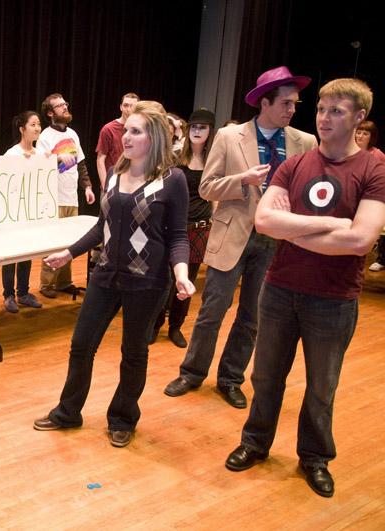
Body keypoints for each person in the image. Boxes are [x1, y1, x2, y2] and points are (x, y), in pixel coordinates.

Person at [225, 78, 385, 498]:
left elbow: (361, 240)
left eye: (336, 111)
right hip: (279, 291)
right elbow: (264, 222)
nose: (324, 118)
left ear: (359, 117)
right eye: (320, 110)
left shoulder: (374, 168)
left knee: (321, 387)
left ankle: (314, 458)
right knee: (266, 377)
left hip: (333, 300)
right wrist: (330, 224)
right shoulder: (294, 165)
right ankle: (255, 443)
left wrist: (291, 230)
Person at [33, 103, 194, 448]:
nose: (126, 137)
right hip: (105, 275)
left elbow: (178, 235)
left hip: (148, 282)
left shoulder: (172, 179)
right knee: (81, 345)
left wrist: (181, 273)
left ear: (155, 138)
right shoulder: (117, 173)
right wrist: (69, 252)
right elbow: (102, 226)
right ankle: (68, 412)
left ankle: (122, 418)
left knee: (133, 352)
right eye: (127, 130)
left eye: (136, 131)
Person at [164, 66, 317, 408]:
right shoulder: (230, 138)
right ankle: (191, 372)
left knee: (253, 317)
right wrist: (243, 179)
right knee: (212, 311)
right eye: (286, 103)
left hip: (275, 242)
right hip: (232, 235)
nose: (293, 110)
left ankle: (231, 378)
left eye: (295, 103)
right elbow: (206, 186)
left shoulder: (305, 143)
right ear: (265, 102)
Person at [151, 108, 216, 347]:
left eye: (203, 127)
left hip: (200, 227)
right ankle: (155, 325)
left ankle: (175, 327)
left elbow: (216, 195)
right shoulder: (176, 156)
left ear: (211, 131)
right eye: (195, 126)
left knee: (187, 281)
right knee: (165, 279)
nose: (198, 131)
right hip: (173, 226)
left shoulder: (214, 160)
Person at [37, 93, 96, 298]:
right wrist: (55, 158)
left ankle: (64, 282)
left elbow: (81, 163)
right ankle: (47, 284)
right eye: (60, 106)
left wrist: (87, 187)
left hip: (72, 196)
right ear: (50, 113)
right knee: (53, 242)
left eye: (65, 104)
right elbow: (40, 165)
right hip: (54, 198)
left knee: (70, 242)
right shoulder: (45, 136)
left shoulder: (73, 134)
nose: (65, 108)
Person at [1, 111, 45, 313]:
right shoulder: (12, 154)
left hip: (32, 214)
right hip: (13, 214)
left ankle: (24, 293)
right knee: (11, 256)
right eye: (33, 124)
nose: (37, 128)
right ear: (22, 129)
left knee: (26, 254)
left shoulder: (42, 153)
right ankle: (8, 295)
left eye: (38, 124)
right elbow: (7, 184)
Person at [356, 120, 385, 271]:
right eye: (358, 132)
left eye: (365, 133)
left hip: (370, 198)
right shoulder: (348, 150)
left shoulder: (377, 154)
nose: (360, 136)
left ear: (371, 137)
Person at [95, 92, 139, 189]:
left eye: (132, 106)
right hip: (113, 183)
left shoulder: (140, 130)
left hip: (133, 184)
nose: (128, 109)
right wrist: (106, 185)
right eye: (125, 105)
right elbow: (100, 159)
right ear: (121, 107)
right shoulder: (109, 129)